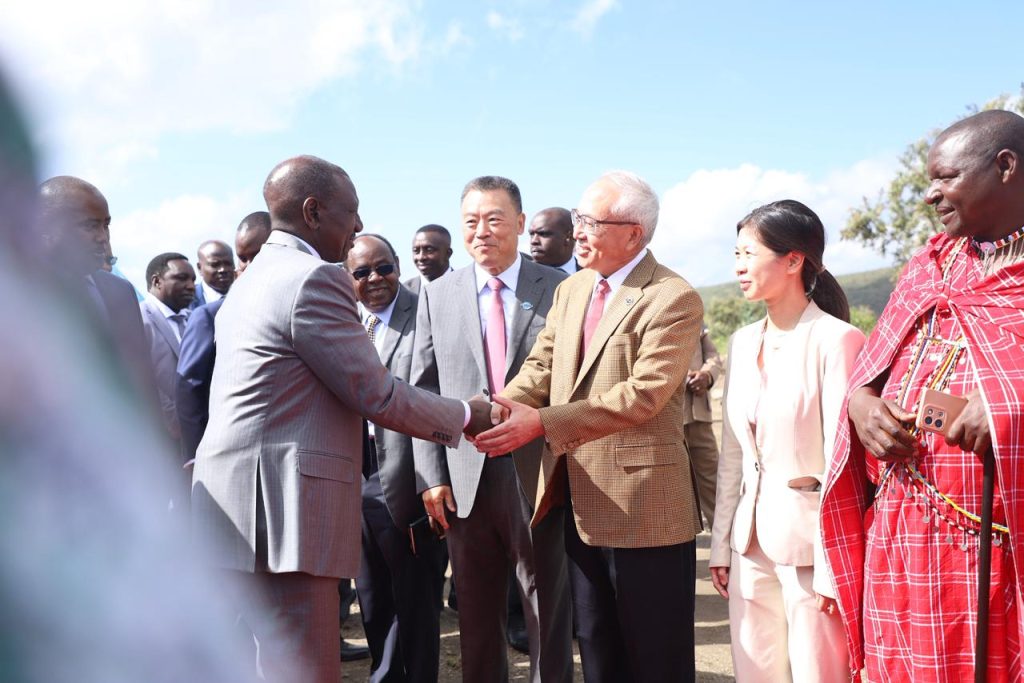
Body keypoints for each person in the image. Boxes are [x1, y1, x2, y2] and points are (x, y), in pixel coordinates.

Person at [190, 155, 494, 683]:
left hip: (238, 505)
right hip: (285, 513)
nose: (358, 226)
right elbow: (375, 393)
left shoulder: (253, 278)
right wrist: (469, 414)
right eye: (350, 213)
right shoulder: (313, 279)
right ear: (312, 211)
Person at [475, 170, 704, 682]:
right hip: (579, 500)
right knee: (598, 649)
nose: (578, 231)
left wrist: (541, 423)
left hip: (647, 507)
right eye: (578, 219)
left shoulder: (672, 297)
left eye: (591, 222)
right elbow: (541, 366)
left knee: (656, 656)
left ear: (633, 234)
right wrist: (499, 408)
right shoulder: (573, 288)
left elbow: (642, 395)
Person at [822, 110, 1024, 681]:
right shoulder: (929, 265)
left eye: (945, 178)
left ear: (1005, 166)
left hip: (993, 544)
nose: (931, 194)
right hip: (900, 526)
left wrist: (1011, 409)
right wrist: (862, 407)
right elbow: (869, 373)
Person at [411, 175, 573, 683]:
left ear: (521, 225)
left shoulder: (562, 290)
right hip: (465, 475)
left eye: (495, 219)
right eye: (471, 222)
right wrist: (431, 475)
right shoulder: (437, 295)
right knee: (476, 615)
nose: (482, 232)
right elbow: (423, 390)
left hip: (539, 468)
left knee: (546, 606)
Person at [708, 200, 864, 681]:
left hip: (809, 549)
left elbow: (844, 461)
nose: (738, 265)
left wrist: (831, 566)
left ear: (794, 260)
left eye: (749, 253)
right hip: (748, 544)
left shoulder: (837, 339)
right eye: (735, 253)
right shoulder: (741, 340)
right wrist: (721, 545)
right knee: (754, 671)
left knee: (820, 674)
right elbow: (733, 453)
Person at [346, 233, 445, 681]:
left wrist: (430, 479)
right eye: (362, 272)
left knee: (415, 588)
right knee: (369, 586)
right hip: (352, 467)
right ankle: (384, 673)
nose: (375, 279)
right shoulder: (342, 318)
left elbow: (431, 393)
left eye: (383, 267)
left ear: (398, 266)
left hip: (406, 467)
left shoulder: (426, 310)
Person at [37, 176, 155, 407]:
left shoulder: (120, 291)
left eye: (106, 225)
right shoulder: (17, 293)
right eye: (89, 226)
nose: (103, 237)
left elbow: (143, 384)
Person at [176, 212, 272, 464]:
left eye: (258, 256)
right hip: (223, 453)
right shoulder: (207, 315)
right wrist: (195, 457)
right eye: (244, 258)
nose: (250, 265)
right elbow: (189, 386)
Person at [140, 252, 196, 447]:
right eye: (181, 278)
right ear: (157, 281)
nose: (191, 285)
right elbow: (143, 379)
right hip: (162, 438)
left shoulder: (195, 320)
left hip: (198, 432)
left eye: (193, 279)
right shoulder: (139, 318)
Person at [683, 325, 723, 529]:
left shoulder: (692, 309)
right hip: (668, 421)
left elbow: (713, 356)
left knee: (714, 485)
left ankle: (726, 549)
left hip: (700, 416)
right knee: (675, 492)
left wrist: (706, 375)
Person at [528, 207, 579, 274]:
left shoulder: (593, 275)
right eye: (532, 234)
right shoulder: (521, 275)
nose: (534, 241)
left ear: (568, 237)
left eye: (543, 234)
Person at [405, 224, 452, 294]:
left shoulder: (466, 285)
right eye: (416, 251)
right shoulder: (404, 291)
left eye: (429, 250)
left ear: (448, 253)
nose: (421, 257)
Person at [189, 239, 235, 309]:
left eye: (228, 264)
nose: (223, 270)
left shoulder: (247, 294)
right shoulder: (188, 301)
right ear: (199, 268)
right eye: (215, 265)